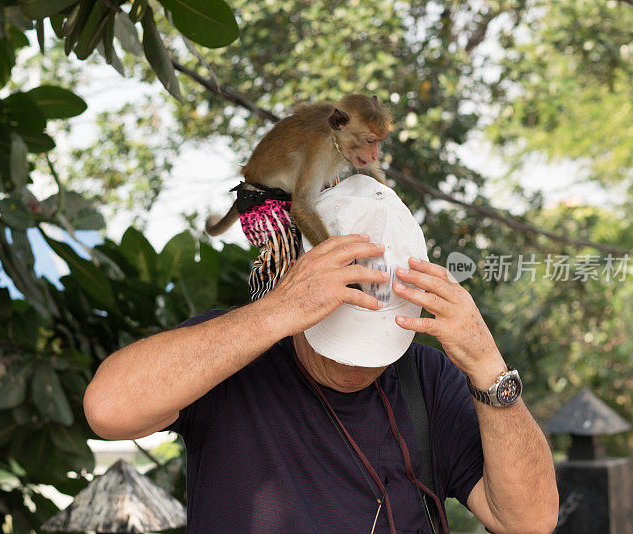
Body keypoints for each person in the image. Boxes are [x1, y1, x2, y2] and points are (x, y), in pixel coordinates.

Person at [84, 175, 559, 533]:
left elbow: (530, 522)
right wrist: (274, 312)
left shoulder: (426, 379)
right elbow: (108, 410)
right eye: (342, 332)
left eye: (379, 344)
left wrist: (488, 367)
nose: (361, 364)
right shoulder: (234, 354)